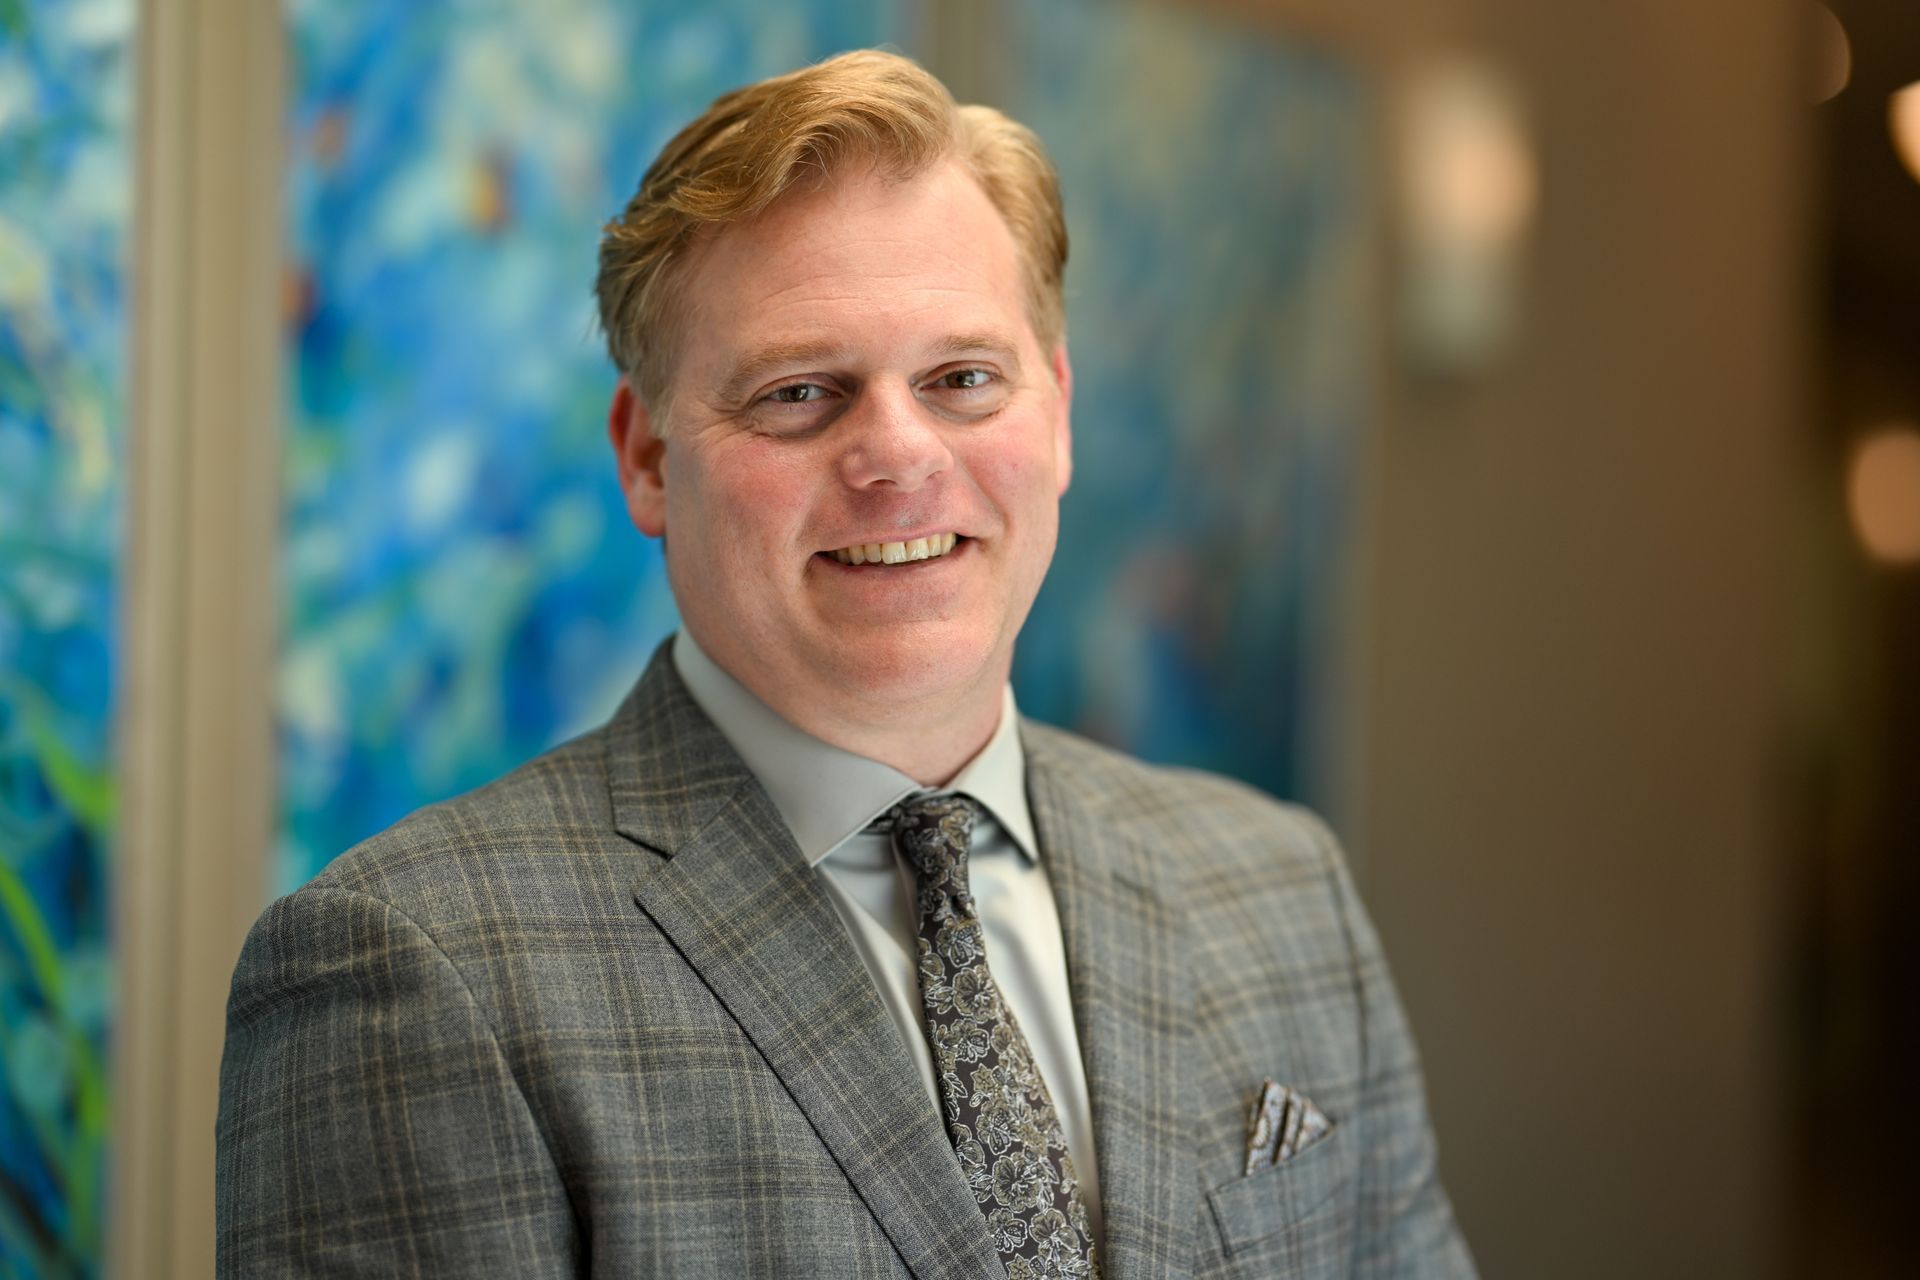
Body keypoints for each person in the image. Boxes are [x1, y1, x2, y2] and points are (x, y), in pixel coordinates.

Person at [217, 49, 1475, 1278]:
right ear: (649, 458)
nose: (897, 457)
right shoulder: (409, 967)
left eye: (963, 378)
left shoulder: (1281, 893)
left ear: (1059, 414)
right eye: (801, 393)